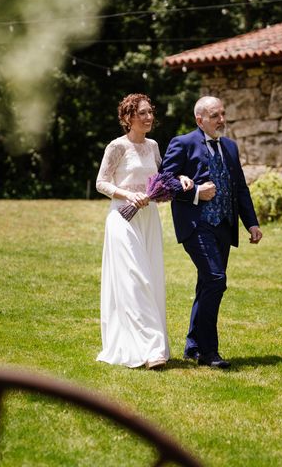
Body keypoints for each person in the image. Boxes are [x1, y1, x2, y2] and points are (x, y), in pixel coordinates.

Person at [160, 95, 263, 369]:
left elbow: (240, 187)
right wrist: (194, 191)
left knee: (207, 283)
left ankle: (193, 346)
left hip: (224, 225)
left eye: (223, 114)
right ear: (200, 119)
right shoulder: (182, 143)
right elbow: (163, 181)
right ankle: (209, 351)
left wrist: (251, 223)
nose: (222, 120)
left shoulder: (230, 147)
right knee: (216, 280)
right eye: (215, 115)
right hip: (196, 225)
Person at [95, 93, 193, 370]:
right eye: (143, 113)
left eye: (150, 112)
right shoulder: (117, 147)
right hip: (123, 219)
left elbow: (161, 177)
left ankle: (151, 345)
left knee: (150, 279)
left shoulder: (153, 146)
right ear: (128, 118)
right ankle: (151, 351)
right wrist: (127, 194)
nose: (149, 118)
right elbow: (101, 182)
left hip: (148, 219)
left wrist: (180, 179)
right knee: (134, 280)